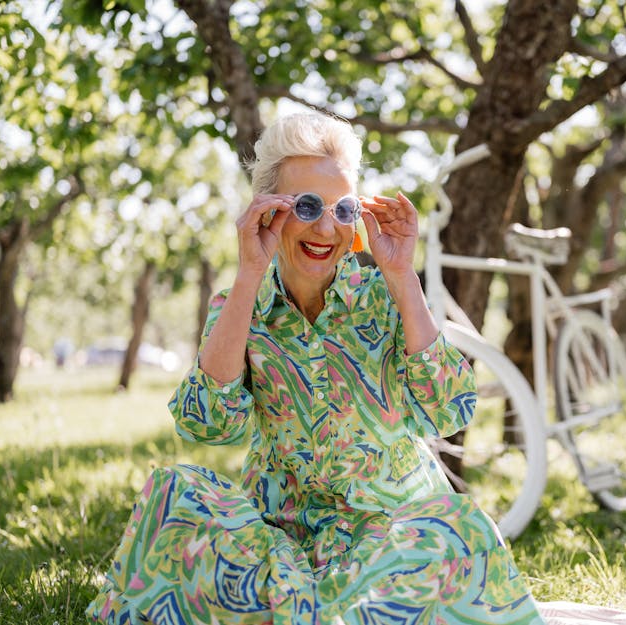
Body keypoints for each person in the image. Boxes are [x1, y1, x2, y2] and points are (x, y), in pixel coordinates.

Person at [87, 111, 547, 625]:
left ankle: (305, 612)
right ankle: (319, 609)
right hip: (279, 541)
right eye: (306, 206)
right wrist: (249, 274)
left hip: (387, 539)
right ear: (267, 210)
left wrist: (400, 275)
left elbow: (448, 410)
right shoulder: (239, 307)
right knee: (175, 495)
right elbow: (209, 425)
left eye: (343, 209)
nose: (326, 227)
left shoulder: (387, 298)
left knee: (457, 534)